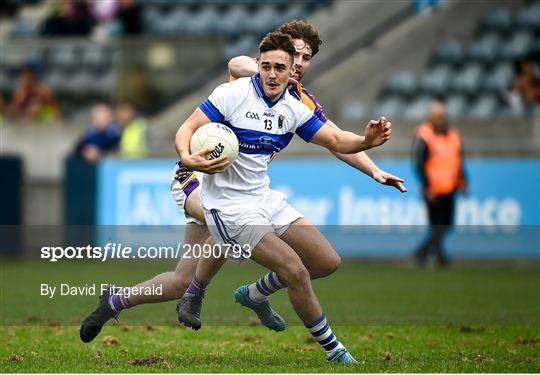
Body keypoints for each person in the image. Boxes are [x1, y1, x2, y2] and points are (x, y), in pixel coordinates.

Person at [79, 20, 405, 346]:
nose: (299, 64)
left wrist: (373, 169)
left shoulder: (299, 102)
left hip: (235, 190)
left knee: (180, 278)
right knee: (228, 220)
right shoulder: (254, 77)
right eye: (294, 54)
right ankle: (198, 293)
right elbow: (235, 62)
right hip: (197, 176)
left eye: (305, 58)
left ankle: (116, 300)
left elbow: (336, 140)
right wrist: (268, 69)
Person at [175, 31, 392, 364]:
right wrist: (186, 157)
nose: (281, 71)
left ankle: (254, 292)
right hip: (226, 201)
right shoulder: (236, 91)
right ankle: (335, 352)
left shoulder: (298, 104)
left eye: (295, 62)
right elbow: (195, 118)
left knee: (326, 261)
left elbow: (335, 140)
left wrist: (366, 143)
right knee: (296, 272)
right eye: (269, 66)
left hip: (262, 195)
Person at [413, 100, 467, 267]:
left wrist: (463, 179)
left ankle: (426, 253)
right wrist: (427, 186)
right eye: (437, 116)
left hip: (450, 187)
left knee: (446, 225)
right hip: (433, 189)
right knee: (437, 224)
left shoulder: (453, 135)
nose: (440, 119)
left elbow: (458, 159)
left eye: (442, 116)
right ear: (430, 117)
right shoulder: (424, 134)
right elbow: (419, 163)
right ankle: (437, 257)